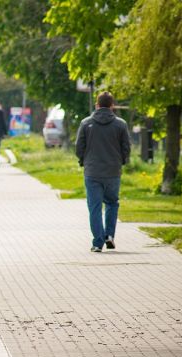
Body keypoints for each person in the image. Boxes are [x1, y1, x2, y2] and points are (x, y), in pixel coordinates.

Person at [75, 91, 131, 253]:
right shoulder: (121, 124)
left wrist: (83, 161)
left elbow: (79, 147)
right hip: (113, 171)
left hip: (92, 172)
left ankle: (97, 243)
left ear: (97, 105)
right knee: (112, 203)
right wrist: (121, 162)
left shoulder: (86, 123)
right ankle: (110, 236)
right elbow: (126, 147)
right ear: (112, 106)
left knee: (94, 207)